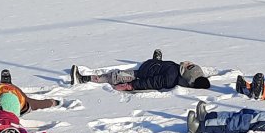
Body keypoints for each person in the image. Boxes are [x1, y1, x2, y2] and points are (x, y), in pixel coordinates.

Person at [68, 50, 213, 92]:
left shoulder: (170, 79)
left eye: (188, 67)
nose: (187, 64)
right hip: (153, 66)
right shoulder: (178, 72)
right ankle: (156, 60)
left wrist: (131, 86)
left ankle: (84, 78)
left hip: (141, 74)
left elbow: (151, 83)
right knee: (160, 65)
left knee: (116, 76)